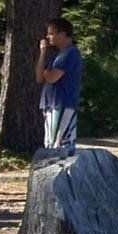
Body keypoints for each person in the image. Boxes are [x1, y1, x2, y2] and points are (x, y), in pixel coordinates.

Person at [36, 17, 83, 156]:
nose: (48, 37)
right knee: (50, 140)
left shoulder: (70, 53)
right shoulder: (55, 56)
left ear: (62, 34)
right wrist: (43, 53)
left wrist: (45, 72)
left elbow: (51, 77)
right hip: (49, 103)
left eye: (51, 33)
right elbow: (39, 78)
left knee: (59, 142)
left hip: (62, 103)